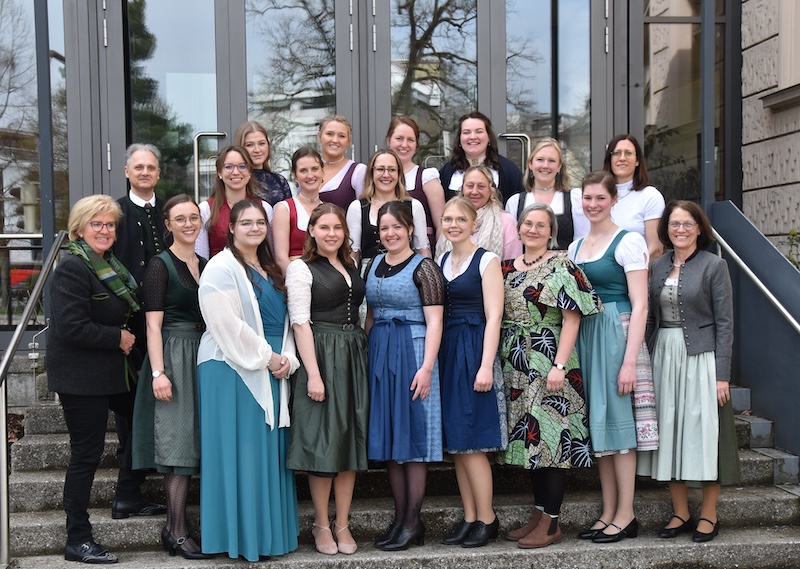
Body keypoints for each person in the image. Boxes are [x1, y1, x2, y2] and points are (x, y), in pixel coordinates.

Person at [196, 200, 300, 561]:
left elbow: (288, 321)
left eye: (260, 222)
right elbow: (224, 323)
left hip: (273, 365)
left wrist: (288, 358)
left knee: (266, 452)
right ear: (231, 228)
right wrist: (268, 357)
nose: (254, 228)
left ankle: (268, 536)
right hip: (231, 367)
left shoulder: (271, 268)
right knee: (241, 451)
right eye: (246, 223)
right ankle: (240, 538)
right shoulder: (220, 267)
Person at [500, 204, 601, 549]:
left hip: (550, 361)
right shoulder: (506, 267)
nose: (533, 229)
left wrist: (558, 366)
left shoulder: (561, 265)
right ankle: (540, 515)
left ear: (551, 232)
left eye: (540, 225)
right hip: (516, 363)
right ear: (519, 227)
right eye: (528, 223)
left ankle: (552, 522)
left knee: (553, 440)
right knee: (533, 443)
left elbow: (573, 318)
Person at [48, 195, 142, 564]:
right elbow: (71, 327)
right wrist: (117, 338)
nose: (105, 230)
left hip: (113, 372)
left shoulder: (109, 265)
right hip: (80, 376)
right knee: (86, 454)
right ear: (79, 229)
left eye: (110, 224)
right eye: (97, 224)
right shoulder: (72, 267)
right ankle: (78, 538)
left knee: (147, 419)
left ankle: (128, 494)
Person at [639, 200, 739, 543]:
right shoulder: (658, 265)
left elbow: (725, 324)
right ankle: (680, 511)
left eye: (687, 224)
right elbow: (651, 318)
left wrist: (722, 375)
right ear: (666, 229)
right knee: (669, 431)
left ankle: (709, 514)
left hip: (701, 359)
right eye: (674, 224)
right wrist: (643, 361)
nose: (680, 229)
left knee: (705, 433)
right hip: (664, 357)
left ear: (699, 229)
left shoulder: (714, 266)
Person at [568, 171, 657, 544]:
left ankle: (626, 514)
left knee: (619, 425)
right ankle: (608, 511)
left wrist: (629, 360)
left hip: (617, 332)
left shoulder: (629, 241)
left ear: (613, 200)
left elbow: (641, 305)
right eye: (587, 198)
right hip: (587, 335)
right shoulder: (575, 247)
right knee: (600, 426)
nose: (593, 204)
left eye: (600, 198)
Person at [131, 195, 212, 560]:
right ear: (168, 225)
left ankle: (179, 527)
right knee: (177, 443)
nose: (188, 224)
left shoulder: (207, 264)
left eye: (193, 217)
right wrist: (158, 372)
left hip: (203, 354)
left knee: (194, 442)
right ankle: (176, 531)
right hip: (173, 355)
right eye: (180, 219)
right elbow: (152, 325)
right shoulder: (160, 265)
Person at [285, 203, 369, 556]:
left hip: (352, 354)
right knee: (323, 441)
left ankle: (342, 522)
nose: (331, 234)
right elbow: (300, 322)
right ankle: (321, 523)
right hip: (321, 353)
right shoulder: (301, 268)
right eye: (324, 227)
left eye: (337, 228)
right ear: (312, 231)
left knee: (349, 438)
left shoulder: (351, 265)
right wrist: (314, 375)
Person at [366, 201, 445, 551]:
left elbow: (436, 321)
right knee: (390, 439)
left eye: (396, 227)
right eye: (384, 228)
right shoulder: (374, 264)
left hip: (414, 351)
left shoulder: (424, 267)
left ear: (410, 229)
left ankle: (413, 521)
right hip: (381, 351)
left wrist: (426, 368)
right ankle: (400, 520)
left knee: (413, 436)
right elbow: (370, 315)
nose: (390, 233)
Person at [437, 196, 506, 548]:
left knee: (473, 441)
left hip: (474, 348)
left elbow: (494, 316)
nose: (453, 225)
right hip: (449, 349)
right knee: (458, 442)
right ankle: (469, 516)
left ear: (473, 223)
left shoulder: (487, 260)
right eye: (448, 219)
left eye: (460, 219)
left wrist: (485, 365)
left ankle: (487, 518)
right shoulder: (442, 260)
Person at [109, 142, 168, 521]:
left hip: (167, 323)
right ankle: (128, 491)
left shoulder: (170, 212)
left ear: (158, 173)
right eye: (138, 167)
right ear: (127, 172)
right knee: (132, 407)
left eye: (151, 167)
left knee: (156, 405)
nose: (145, 172)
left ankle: (132, 488)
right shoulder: (114, 213)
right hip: (129, 325)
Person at [572, 134, 665, 260]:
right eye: (616, 153)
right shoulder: (592, 197)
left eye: (628, 153)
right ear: (609, 159)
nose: (622, 158)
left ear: (637, 160)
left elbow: (655, 249)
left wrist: (635, 269)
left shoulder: (650, 196)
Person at [346, 148, 430, 265]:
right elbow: (353, 256)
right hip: (369, 273)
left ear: (399, 173)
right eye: (380, 169)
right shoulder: (357, 208)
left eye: (392, 170)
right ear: (371, 173)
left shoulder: (414, 206)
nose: (386, 175)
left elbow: (422, 250)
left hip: (406, 272)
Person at [195, 145, 274, 259]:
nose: (236, 172)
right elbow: (201, 256)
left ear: (250, 171)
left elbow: (270, 254)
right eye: (228, 167)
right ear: (219, 172)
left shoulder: (265, 208)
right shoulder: (206, 209)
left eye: (242, 166)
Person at [435, 165, 522, 261]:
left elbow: (512, 264)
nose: (474, 192)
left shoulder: (507, 222)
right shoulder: (451, 219)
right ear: (462, 189)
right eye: (470, 186)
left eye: (481, 186)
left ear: (491, 191)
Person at [439, 111, 524, 204]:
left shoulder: (508, 170)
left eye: (479, 131)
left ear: (489, 137)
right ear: (459, 139)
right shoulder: (447, 171)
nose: (472, 137)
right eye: (466, 132)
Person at [386, 115, 446, 245]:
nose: (404, 145)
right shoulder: (379, 178)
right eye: (399, 138)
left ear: (416, 144)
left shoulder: (427, 177)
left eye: (410, 140)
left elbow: (441, 225)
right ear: (388, 140)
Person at [505, 138, 574, 250]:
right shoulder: (515, 202)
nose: (545, 165)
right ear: (530, 164)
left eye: (551, 161)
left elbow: (581, 241)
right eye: (540, 160)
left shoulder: (574, 199)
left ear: (559, 167)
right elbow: (513, 246)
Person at [273, 147, 325, 273]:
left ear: (322, 172)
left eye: (314, 169)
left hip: (327, 279)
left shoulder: (329, 210)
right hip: (296, 277)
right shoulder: (284, 209)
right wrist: (297, 280)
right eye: (303, 170)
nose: (310, 175)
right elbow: (281, 258)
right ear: (295, 175)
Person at [234, 120, 292, 206]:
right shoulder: (235, 180)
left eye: (261, 143)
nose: (257, 150)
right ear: (240, 148)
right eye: (250, 145)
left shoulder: (279, 180)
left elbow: (291, 212)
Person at [316, 115, 367, 210]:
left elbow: (364, 211)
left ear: (348, 141)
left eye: (341, 136)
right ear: (319, 136)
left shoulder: (358, 171)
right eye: (329, 134)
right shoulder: (310, 169)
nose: (335, 140)